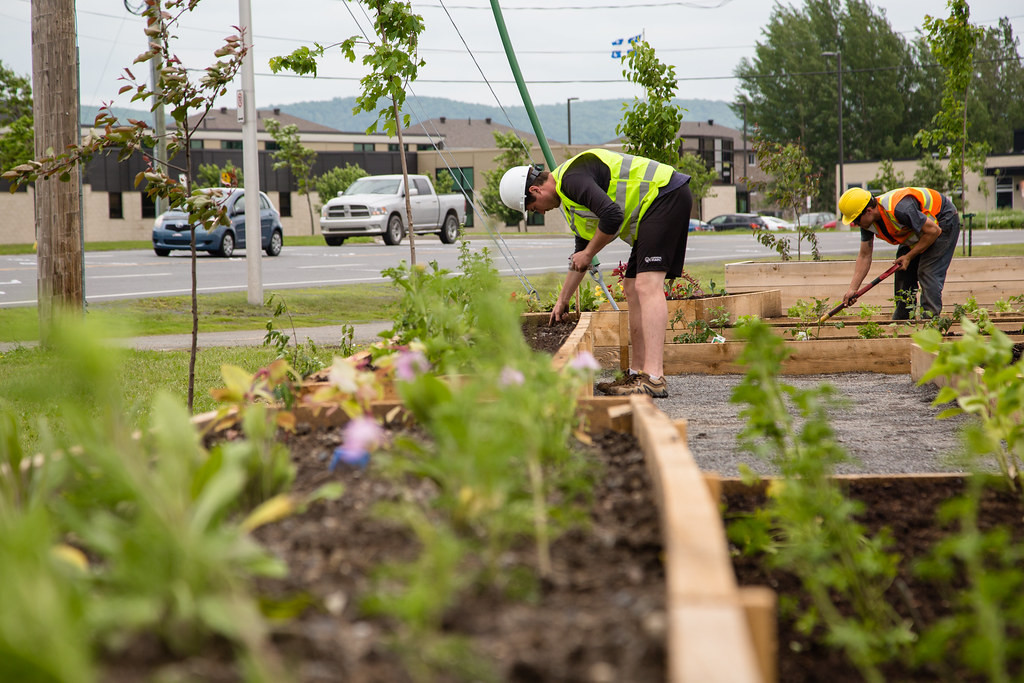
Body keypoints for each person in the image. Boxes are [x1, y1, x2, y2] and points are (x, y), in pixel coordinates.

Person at [499, 149, 692, 398]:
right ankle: (638, 373)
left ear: (535, 191)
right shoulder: (570, 202)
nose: (540, 212)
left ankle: (654, 378)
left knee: (646, 285)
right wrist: (563, 300)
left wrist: (589, 253)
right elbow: (582, 250)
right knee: (632, 287)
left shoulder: (571, 179)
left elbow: (612, 217)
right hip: (655, 205)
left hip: (665, 194)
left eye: (533, 208)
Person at [838, 186, 960, 320]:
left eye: (855, 220)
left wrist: (909, 256)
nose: (855, 224)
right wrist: (852, 289)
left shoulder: (900, 209)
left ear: (868, 211)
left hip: (942, 220)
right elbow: (864, 255)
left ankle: (930, 323)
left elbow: (933, 231)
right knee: (902, 271)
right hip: (918, 230)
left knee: (928, 271)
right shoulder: (868, 224)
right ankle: (903, 320)